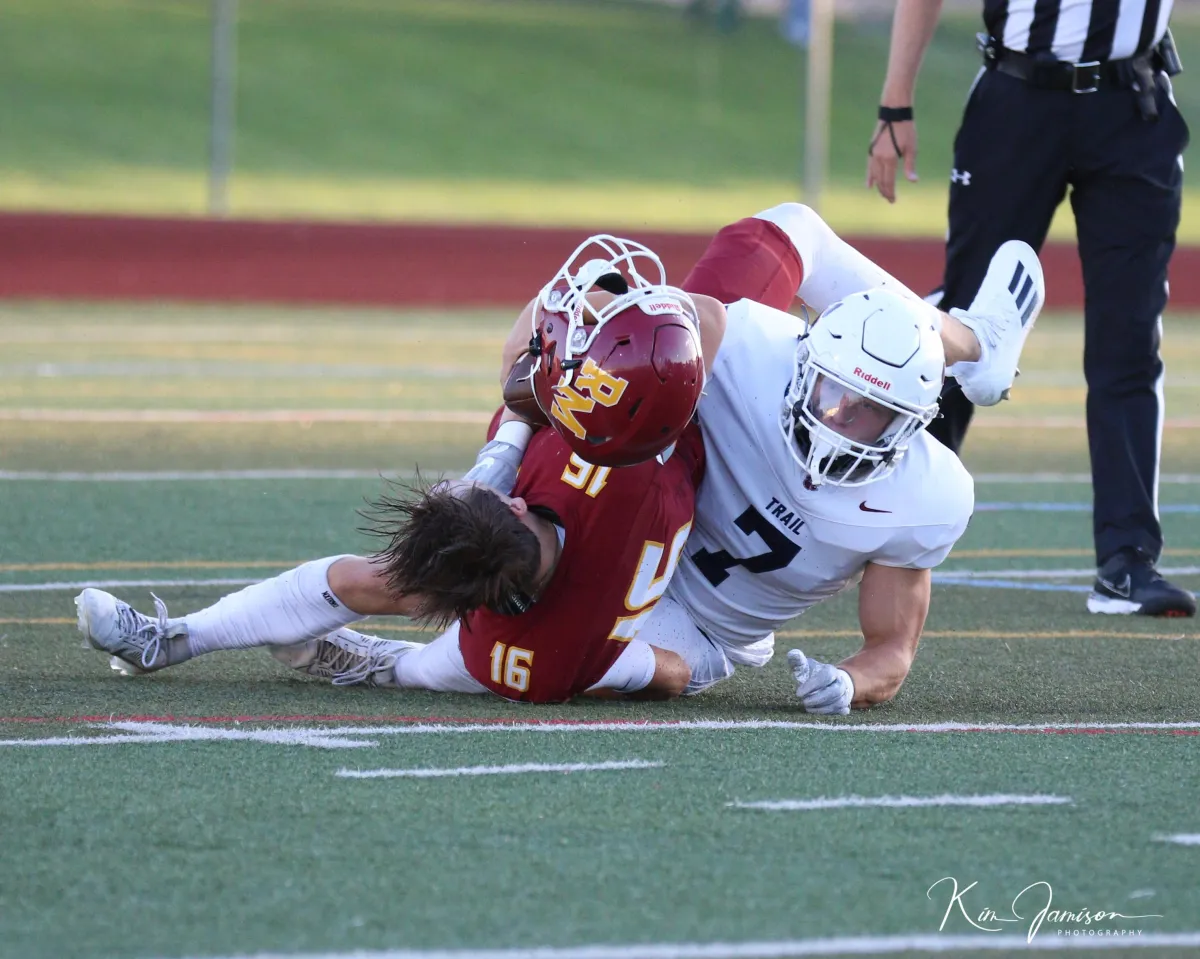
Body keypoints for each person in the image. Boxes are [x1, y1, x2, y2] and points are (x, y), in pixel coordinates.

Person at [75, 239, 714, 703]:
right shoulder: (614, 478)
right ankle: (177, 639)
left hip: (581, 625)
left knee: (414, 662)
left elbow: (521, 353)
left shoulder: (508, 653)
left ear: (518, 501)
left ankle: (363, 660)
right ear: (515, 505)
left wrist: (523, 408)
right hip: (599, 617)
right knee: (385, 590)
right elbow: (673, 673)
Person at [865, 0, 1195, 618]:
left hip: (1133, 105)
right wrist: (895, 102)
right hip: (1018, 97)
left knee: (1128, 339)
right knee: (963, 326)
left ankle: (1127, 561)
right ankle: (886, 524)